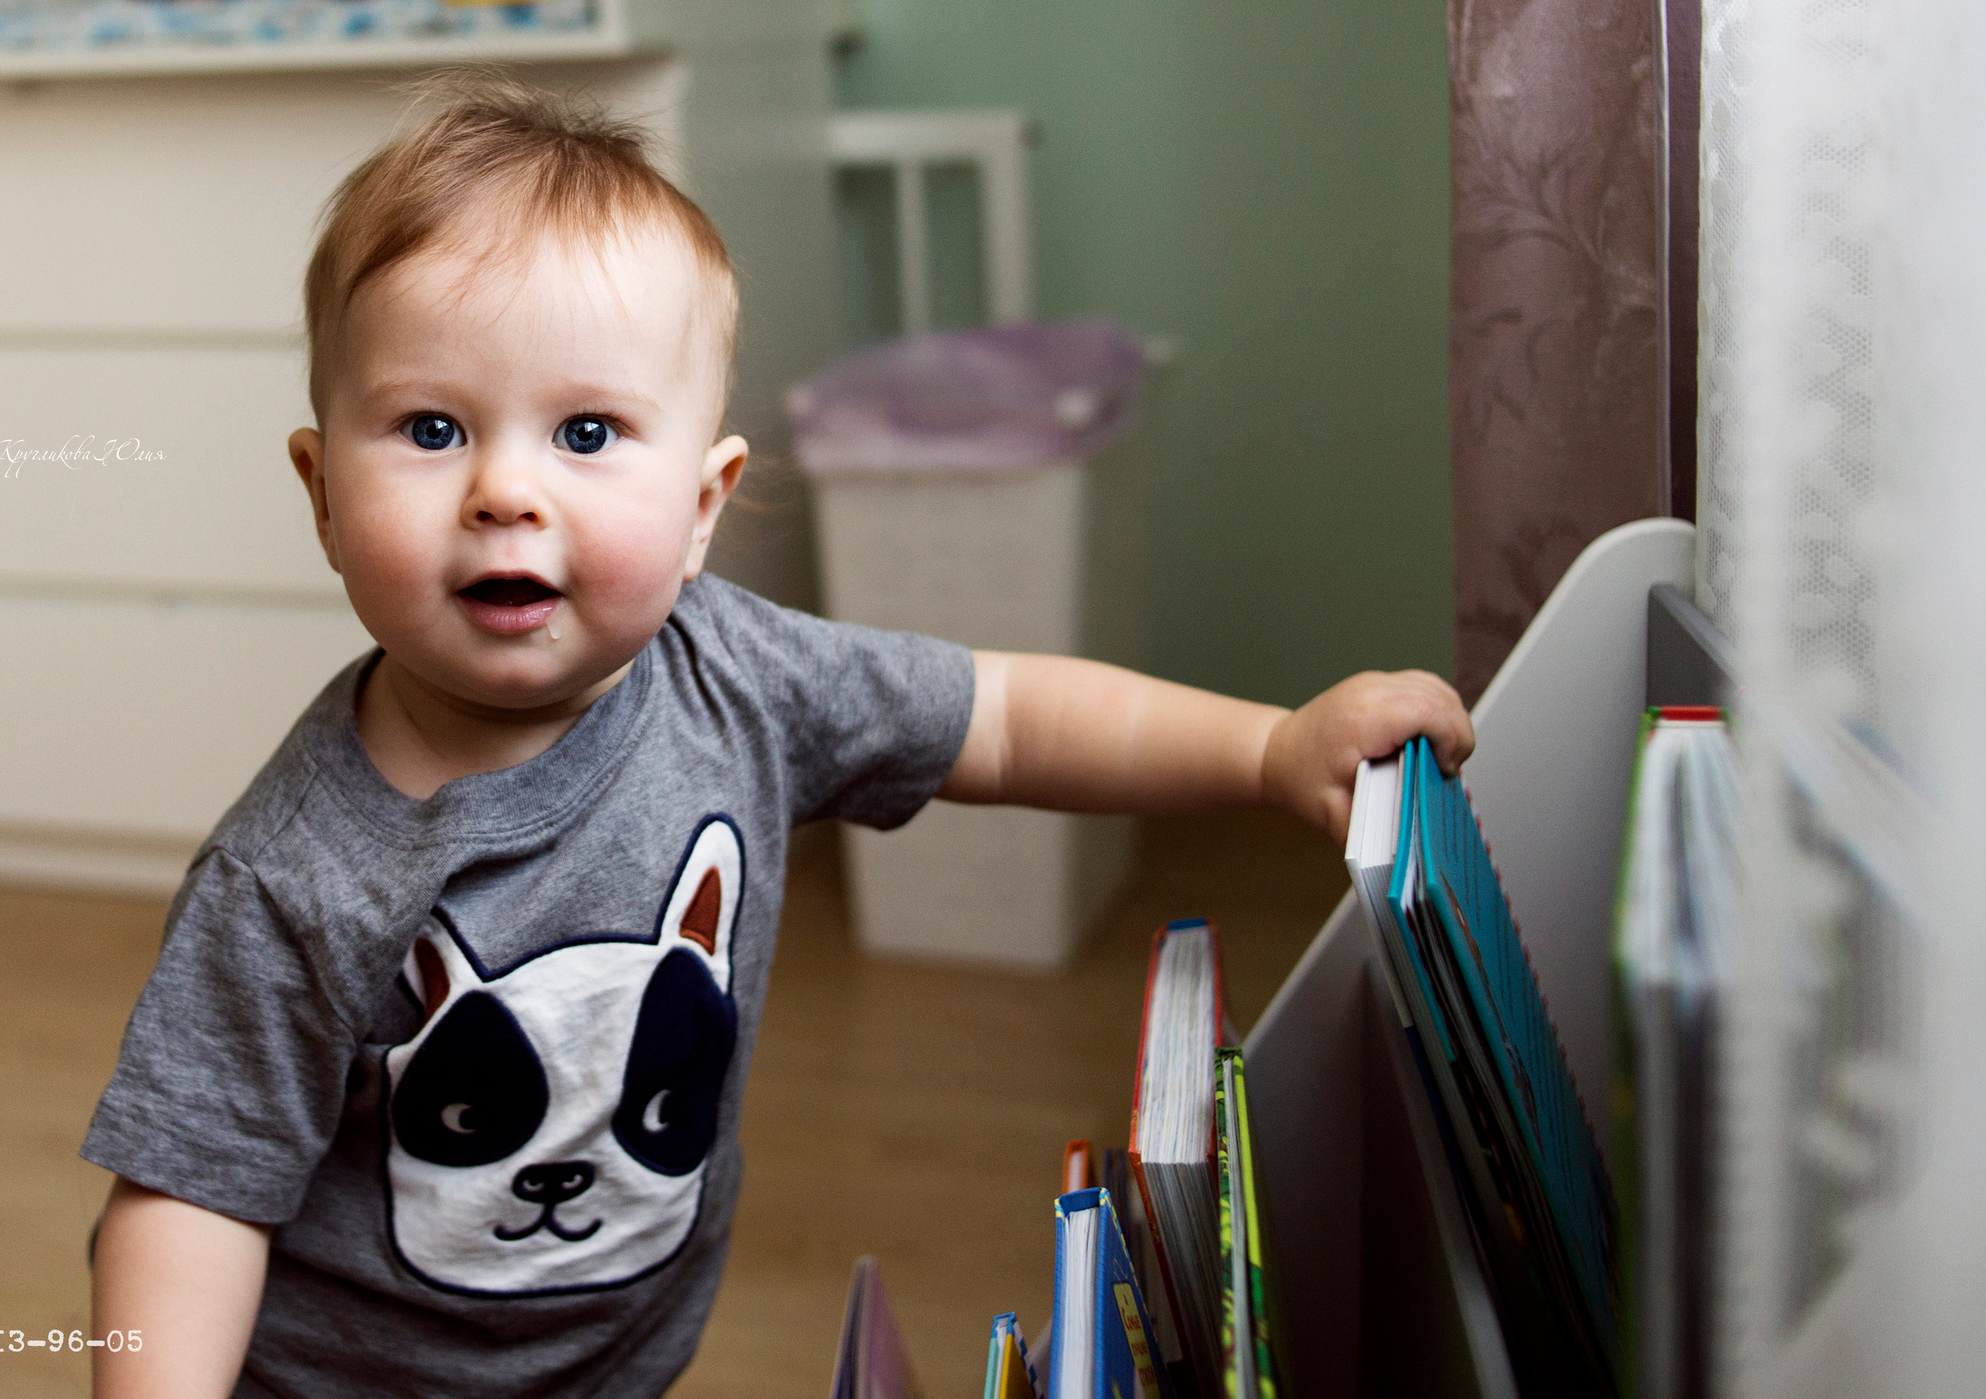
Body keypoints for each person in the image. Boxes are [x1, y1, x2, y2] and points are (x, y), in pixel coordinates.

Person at [82, 79, 1472, 1398]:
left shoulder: (737, 676)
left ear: (702, 506)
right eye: (433, 428)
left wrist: (1269, 749)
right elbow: (190, 1193)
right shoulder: (295, 876)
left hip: (614, 1353)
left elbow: (1007, 714)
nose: (507, 490)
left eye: (586, 431)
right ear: (323, 493)